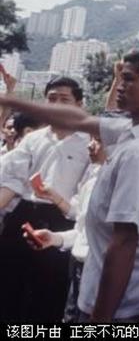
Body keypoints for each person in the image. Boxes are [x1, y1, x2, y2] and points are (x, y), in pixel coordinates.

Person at [0, 49, 139, 322]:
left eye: (129, 79)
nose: (120, 85)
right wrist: (9, 99)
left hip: (115, 306)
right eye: (121, 78)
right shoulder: (133, 130)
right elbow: (79, 119)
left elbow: (124, 242)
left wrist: (101, 319)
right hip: (104, 285)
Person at [0, 77, 90, 322]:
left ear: (79, 104)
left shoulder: (87, 143)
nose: (57, 104)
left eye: (64, 99)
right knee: (9, 284)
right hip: (25, 214)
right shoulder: (33, 139)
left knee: (49, 292)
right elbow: (12, 181)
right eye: (52, 99)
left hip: (61, 220)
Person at [21, 135, 108, 322]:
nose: (90, 145)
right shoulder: (92, 178)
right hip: (79, 270)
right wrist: (55, 238)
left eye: (98, 140)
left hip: (102, 276)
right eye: (91, 138)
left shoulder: (122, 186)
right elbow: (83, 230)